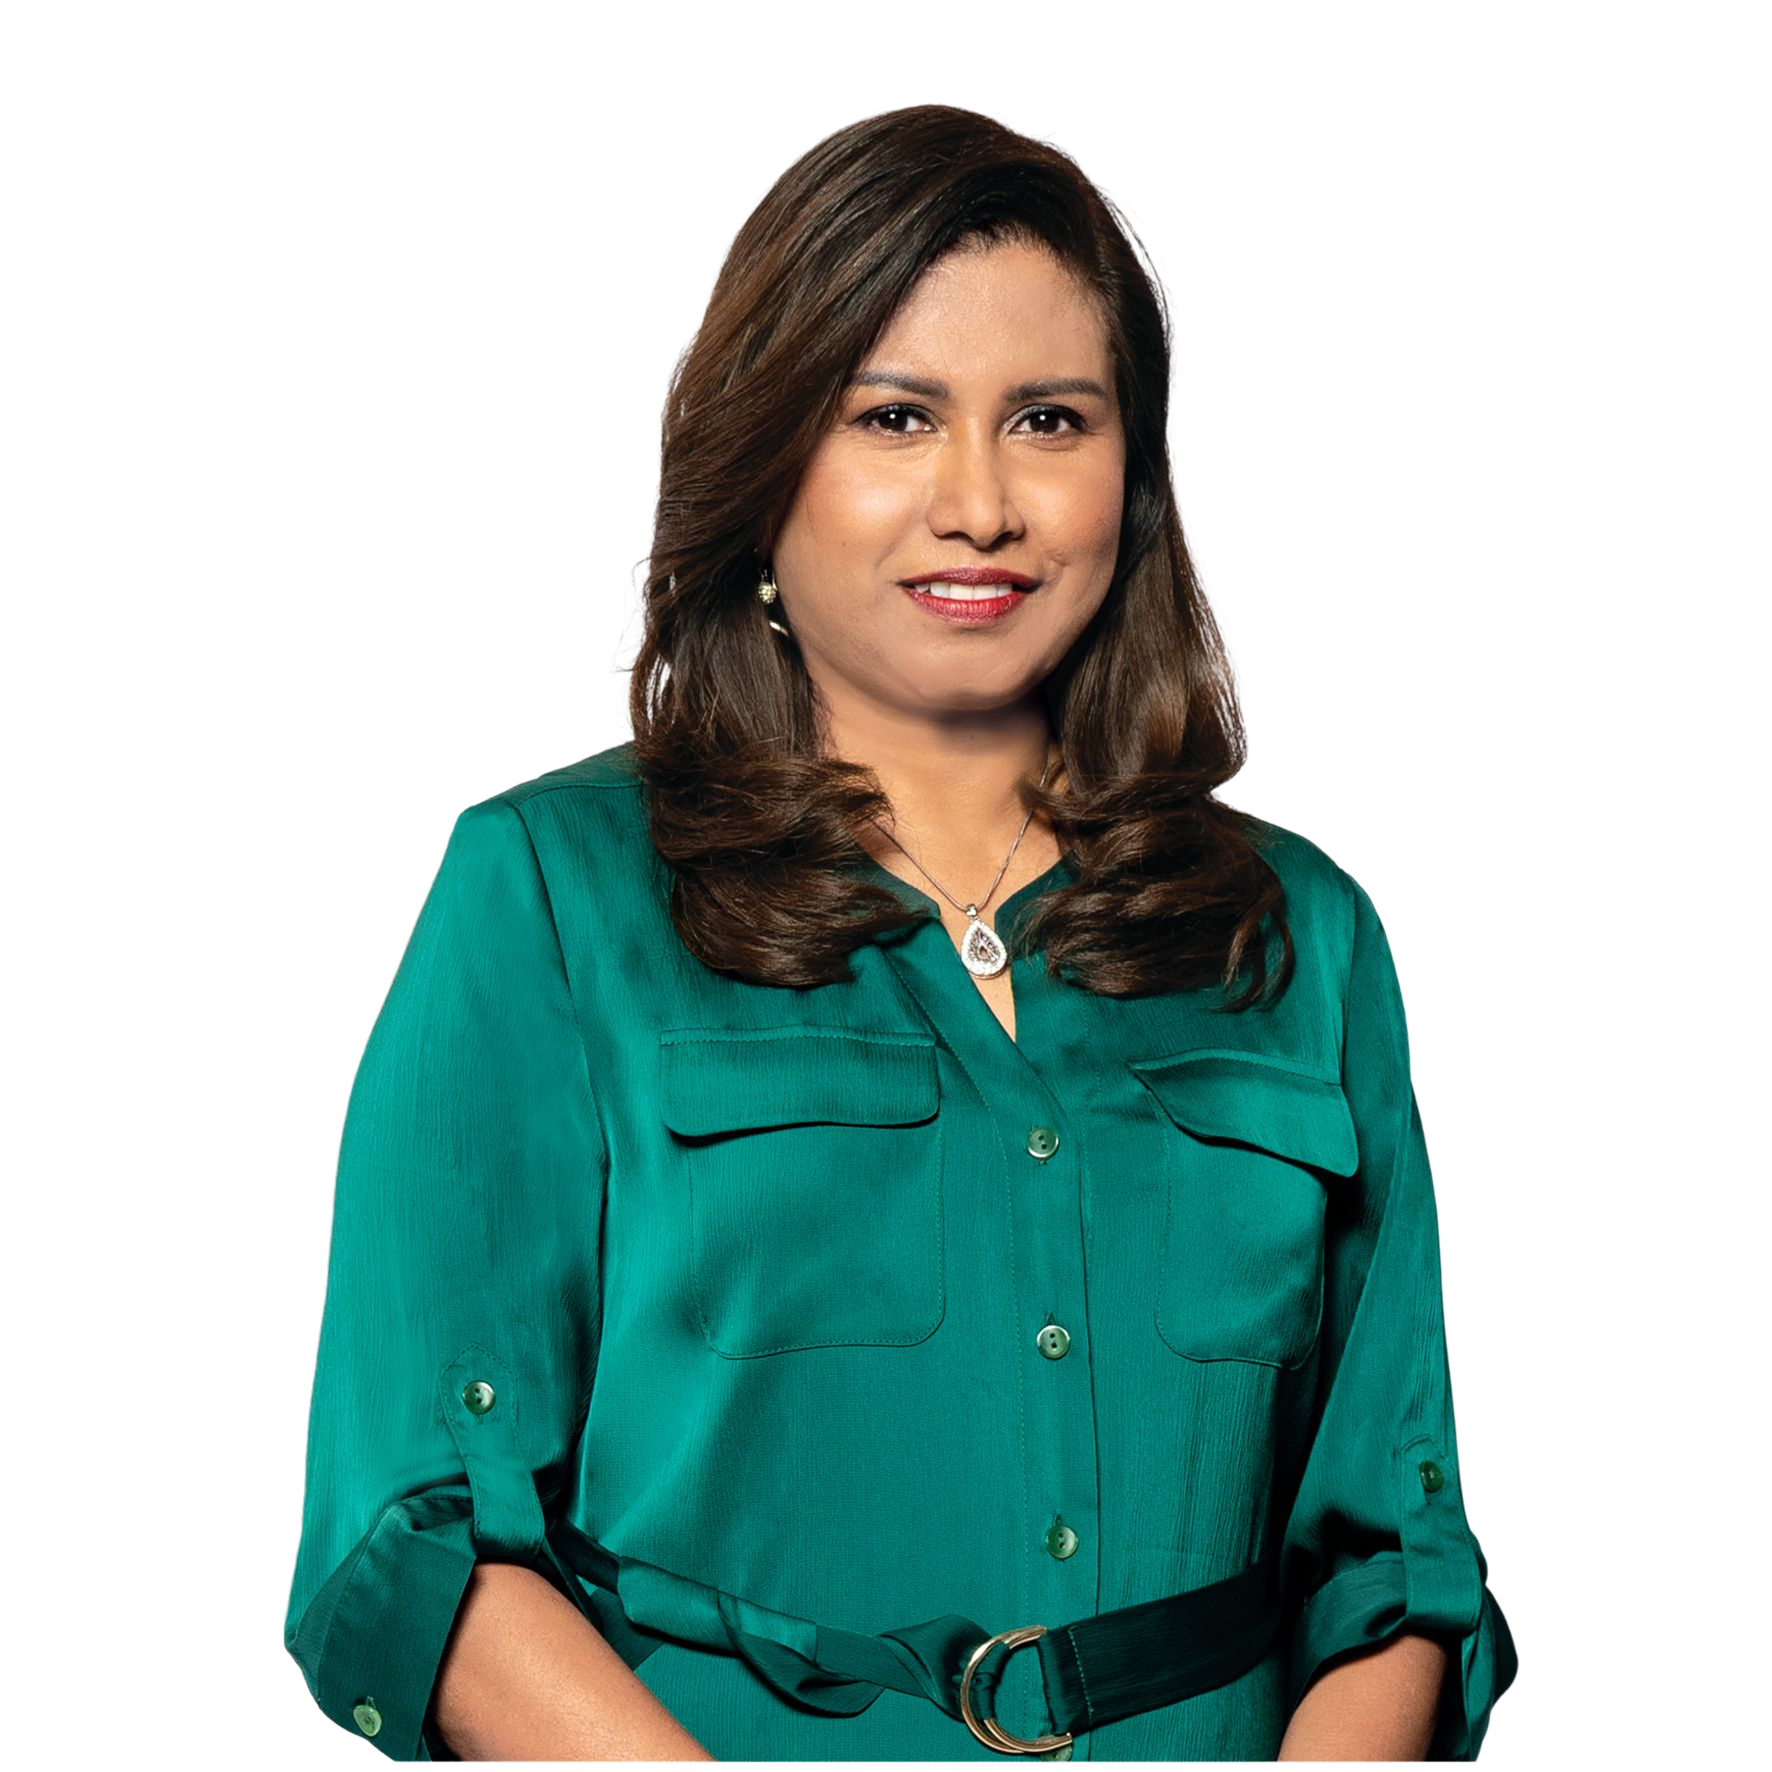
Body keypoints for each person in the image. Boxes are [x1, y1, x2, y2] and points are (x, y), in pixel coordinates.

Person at [282, 103, 1519, 1763]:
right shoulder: (543, 892)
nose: (981, 503)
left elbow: (1395, 1562)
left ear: (1136, 480)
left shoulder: (1308, 934)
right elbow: (418, 1521)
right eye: (895, 416)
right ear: (764, 466)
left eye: (1051, 420)